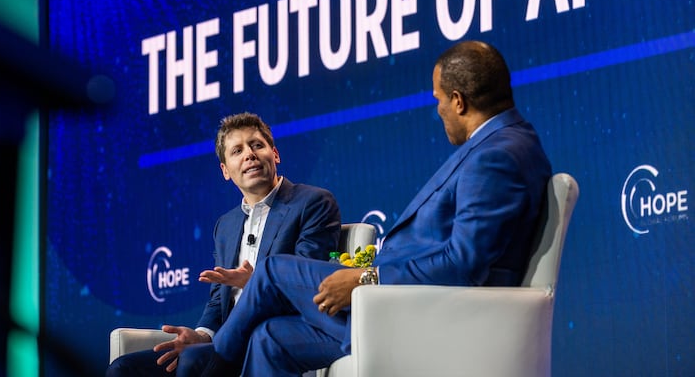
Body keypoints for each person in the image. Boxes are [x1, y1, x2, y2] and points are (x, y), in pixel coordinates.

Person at [194, 40, 553, 377]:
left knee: (272, 271)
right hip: (393, 306)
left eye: (438, 99)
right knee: (270, 338)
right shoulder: (503, 145)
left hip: (415, 313)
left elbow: (464, 264)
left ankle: (210, 365)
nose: (439, 109)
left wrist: (366, 278)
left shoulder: (497, 155)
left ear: (458, 101)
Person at [106, 112, 341, 377]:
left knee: (194, 366)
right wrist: (202, 335)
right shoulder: (225, 226)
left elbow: (308, 284)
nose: (249, 155)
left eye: (257, 145)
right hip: (223, 343)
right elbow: (220, 300)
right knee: (124, 369)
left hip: (272, 339)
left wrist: (258, 282)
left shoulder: (313, 203)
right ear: (225, 171)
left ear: (275, 154)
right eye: (237, 151)